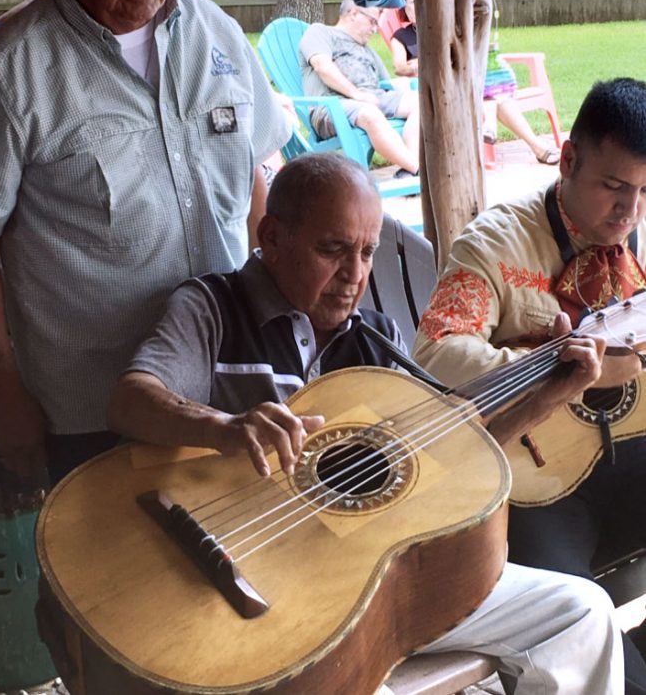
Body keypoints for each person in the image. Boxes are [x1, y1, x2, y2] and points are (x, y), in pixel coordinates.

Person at [109, 151, 623, 694]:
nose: (354, 275)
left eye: (367, 252)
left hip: (370, 583)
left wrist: (554, 393)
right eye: (332, 249)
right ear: (273, 237)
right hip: (257, 583)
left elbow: (448, 453)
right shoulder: (211, 307)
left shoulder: (376, 341)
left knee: (580, 613)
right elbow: (131, 399)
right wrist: (224, 426)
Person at [0, 0, 290, 485]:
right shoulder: (9, 74)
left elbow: (252, 176)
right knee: (109, 582)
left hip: (228, 382)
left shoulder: (216, 34)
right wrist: (4, 393)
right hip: (90, 411)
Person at [414, 78, 646, 693]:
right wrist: (553, 368)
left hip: (624, 456)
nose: (629, 210)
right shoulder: (495, 244)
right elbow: (436, 356)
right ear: (567, 160)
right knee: (573, 626)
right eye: (614, 186)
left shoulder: (636, 245)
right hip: (535, 481)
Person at [389, 0, 560, 164]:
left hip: (465, 83)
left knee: (494, 95)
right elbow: (400, 67)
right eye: (413, 2)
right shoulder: (400, 37)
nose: (419, 7)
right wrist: (426, 64)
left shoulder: (444, 30)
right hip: (437, 88)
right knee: (495, 96)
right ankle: (532, 145)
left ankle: (511, 136)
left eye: (424, 1)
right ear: (404, 6)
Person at [299, 0, 420, 179]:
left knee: (421, 101)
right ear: (354, 13)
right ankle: (418, 171)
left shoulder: (366, 48)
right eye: (372, 21)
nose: (375, 28)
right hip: (331, 105)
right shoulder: (320, 32)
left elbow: (387, 83)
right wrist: (356, 94)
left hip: (372, 99)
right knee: (369, 112)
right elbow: (321, 66)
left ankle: (410, 168)